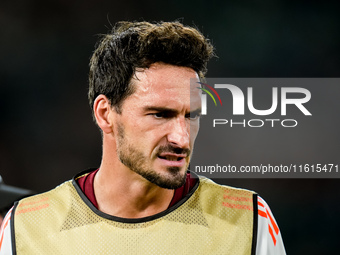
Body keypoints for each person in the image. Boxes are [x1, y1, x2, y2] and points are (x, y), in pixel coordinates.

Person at [0, 21, 286, 254]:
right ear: (105, 114)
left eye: (191, 116)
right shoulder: (26, 225)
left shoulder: (248, 220)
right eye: (160, 114)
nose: (181, 139)